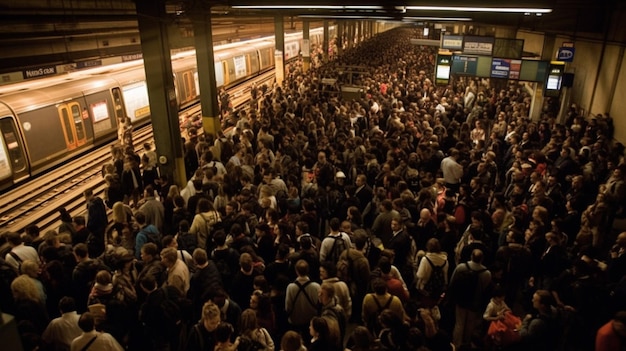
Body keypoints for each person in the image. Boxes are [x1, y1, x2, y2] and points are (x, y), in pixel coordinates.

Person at [285, 259, 320, 338]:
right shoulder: (316, 287)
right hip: (311, 320)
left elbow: (288, 307)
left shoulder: (290, 287)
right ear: (308, 270)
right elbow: (318, 304)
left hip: (295, 320)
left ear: (296, 271)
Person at [84, 188, 108, 258]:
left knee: (98, 241)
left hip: (96, 228)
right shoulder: (99, 200)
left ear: (86, 196)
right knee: (103, 239)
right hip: (103, 224)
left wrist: (89, 227)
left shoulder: (91, 206)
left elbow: (92, 219)